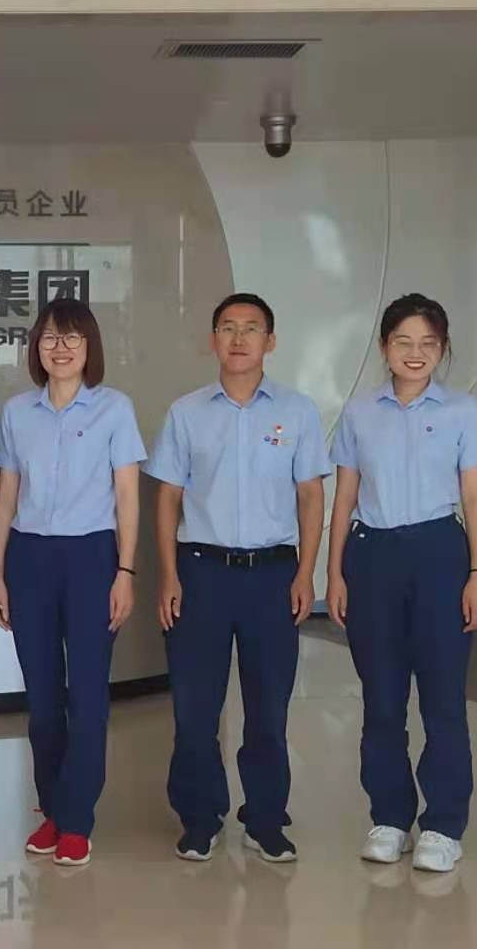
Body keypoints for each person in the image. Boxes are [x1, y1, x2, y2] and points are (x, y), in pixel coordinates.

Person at [145, 292, 329, 865]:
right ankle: (200, 817)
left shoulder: (297, 412)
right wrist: (169, 575)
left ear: (270, 341)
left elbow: (310, 496)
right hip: (200, 574)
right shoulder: (186, 413)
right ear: (213, 340)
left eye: (252, 328)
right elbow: (167, 498)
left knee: (268, 709)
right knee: (195, 710)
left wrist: (306, 572)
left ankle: (266, 818)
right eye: (228, 327)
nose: (240, 338)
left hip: (272, 575)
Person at [326, 293, 477, 875]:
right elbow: (344, 498)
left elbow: (475, 499)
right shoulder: (359, 413)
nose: (415, 353)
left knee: (444, 698)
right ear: (385, 347)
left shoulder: (462, 412)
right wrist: (334, 573)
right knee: (382, 698)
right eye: (403, 341)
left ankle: (444, 825)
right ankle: (390, 817)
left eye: (428, 343)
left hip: (440, 554)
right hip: (372, 556)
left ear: (443, 349)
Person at [0, 297, 145, 868]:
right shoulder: (17, 412)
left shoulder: (114, 409)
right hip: (29, 559)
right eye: (50, 337)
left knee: (88, 695)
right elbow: (7, 496)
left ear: (89, 347)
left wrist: (125, 571)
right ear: (37, 346)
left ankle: (78, 818)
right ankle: (52, 808)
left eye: (72, 338)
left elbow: (127, 496)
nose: (60, 348)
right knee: (43, 701)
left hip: (91, 559)